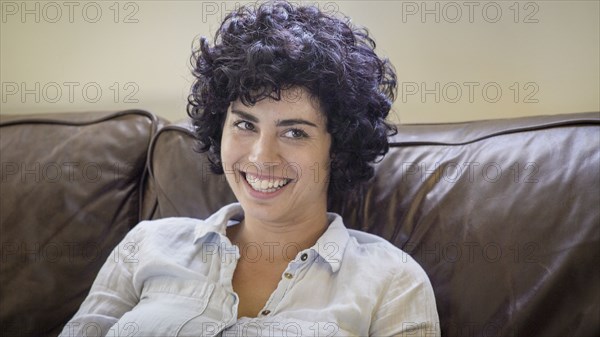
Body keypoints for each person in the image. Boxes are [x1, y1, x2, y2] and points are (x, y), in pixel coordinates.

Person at [59, 1, 440, 336]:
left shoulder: (393, 281)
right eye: (245, 124)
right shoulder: (146, 246)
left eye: (294, 132)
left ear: (337, 148)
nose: (261, 156)